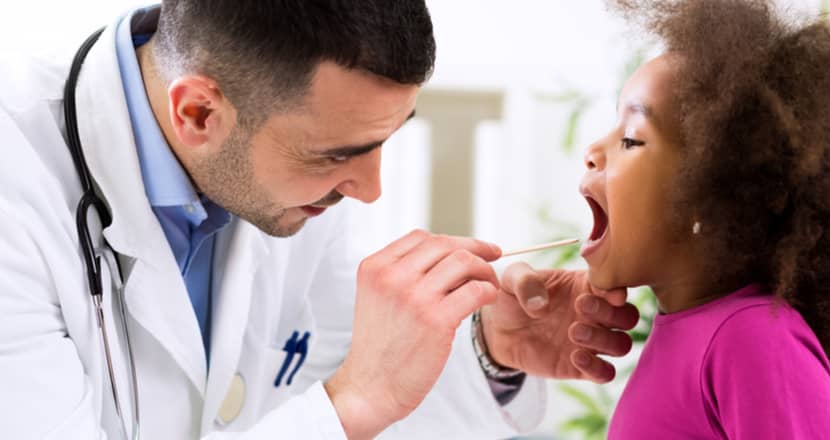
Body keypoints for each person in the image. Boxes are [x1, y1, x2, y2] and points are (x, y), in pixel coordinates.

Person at [0, 1, 637, 439]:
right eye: (337, 156)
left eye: (384, 141)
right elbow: (344, 404)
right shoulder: (17, 189)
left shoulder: (283, 179)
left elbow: (330, 382)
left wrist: (487, 350)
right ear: (197, 113)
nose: (368, 189)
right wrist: (354, 401)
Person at [570, 0, 830, 438]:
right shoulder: (691, 333)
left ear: (710, 192)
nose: (592, 152)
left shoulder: (753, 339)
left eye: (630, 139)